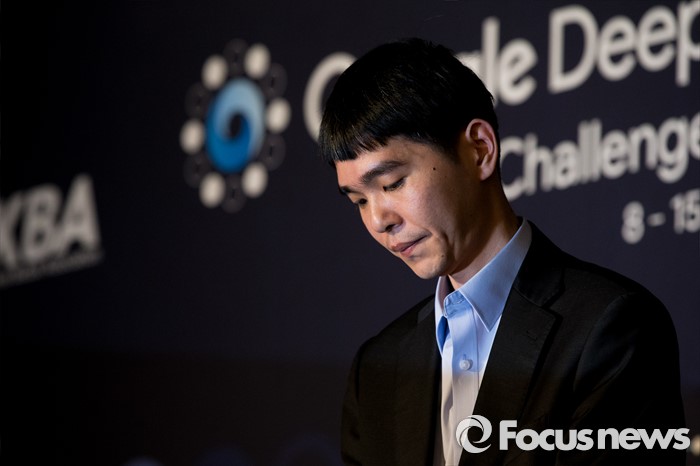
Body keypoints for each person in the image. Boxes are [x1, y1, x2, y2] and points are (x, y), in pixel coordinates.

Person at [318, 38, 686, 466]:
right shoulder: (376, 369)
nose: (379, 219)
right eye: (359, 201)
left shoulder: (612, 327)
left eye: (392, 183)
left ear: (480, 150)